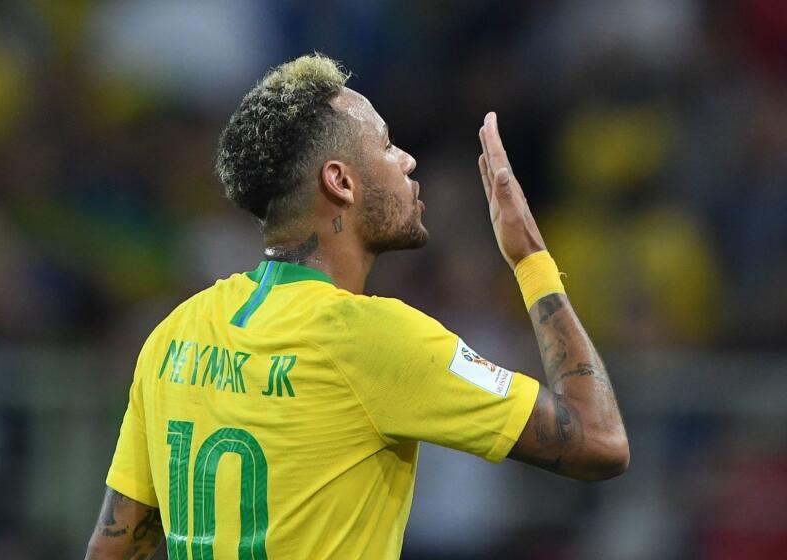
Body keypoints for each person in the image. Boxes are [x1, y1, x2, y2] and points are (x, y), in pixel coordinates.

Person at [85, 54, 628, 560]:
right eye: (388, 146)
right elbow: (599, 439)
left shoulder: (175, 333)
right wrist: (530, 258)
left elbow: (110, 550)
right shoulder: (372, 339)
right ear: (340, 181)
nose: (408, 160)